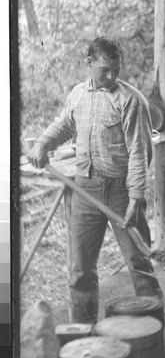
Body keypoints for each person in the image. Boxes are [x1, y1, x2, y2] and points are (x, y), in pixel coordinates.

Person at [27, 37, 153, 323]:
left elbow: (139, 152)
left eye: (116, 70)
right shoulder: (77, 95)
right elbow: (64, 124)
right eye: (104, 70)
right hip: (84, 189)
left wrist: (135, 197)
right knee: (80, 270)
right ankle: (84, 337)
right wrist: (43, 143)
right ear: (89, 64)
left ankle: (151, 335)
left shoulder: (132, 101)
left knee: (139, 263)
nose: (111, 77)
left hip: (121, 192)